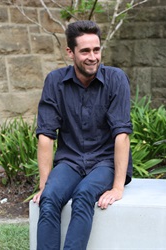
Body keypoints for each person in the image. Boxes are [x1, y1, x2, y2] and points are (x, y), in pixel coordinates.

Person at [32, 20, 133, 249]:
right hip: (70, 160)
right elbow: (46, 135)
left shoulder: (116, 79)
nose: (93, 57)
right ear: (70, 52)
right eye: (85, 51)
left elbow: (122, 134)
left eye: (96, 50)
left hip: (104, 162)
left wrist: (117, 187)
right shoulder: (55, 81)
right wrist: (44, 184)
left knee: (84, 195)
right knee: (48, 199)